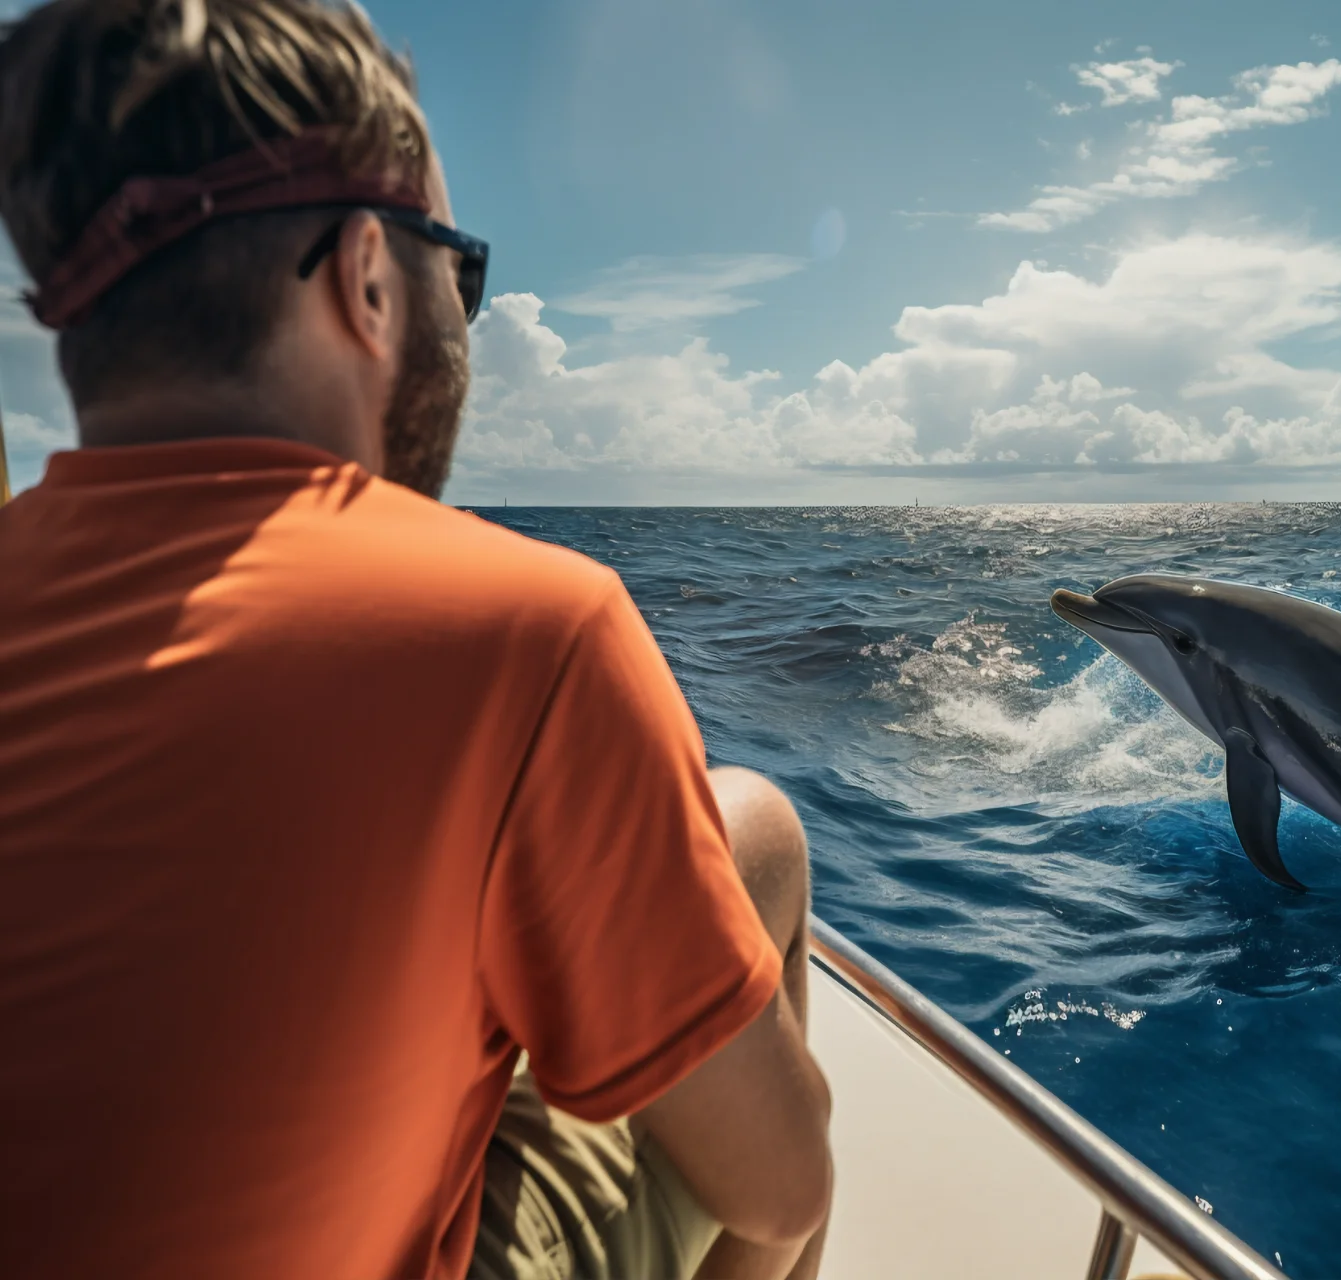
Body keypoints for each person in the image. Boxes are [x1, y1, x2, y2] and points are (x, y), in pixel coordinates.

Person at [0, 1, 831, 1277]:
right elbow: (782, 1185)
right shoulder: (532, 631)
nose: (463, 309)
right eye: (461, 265)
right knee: (761, 834)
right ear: (367, 277)